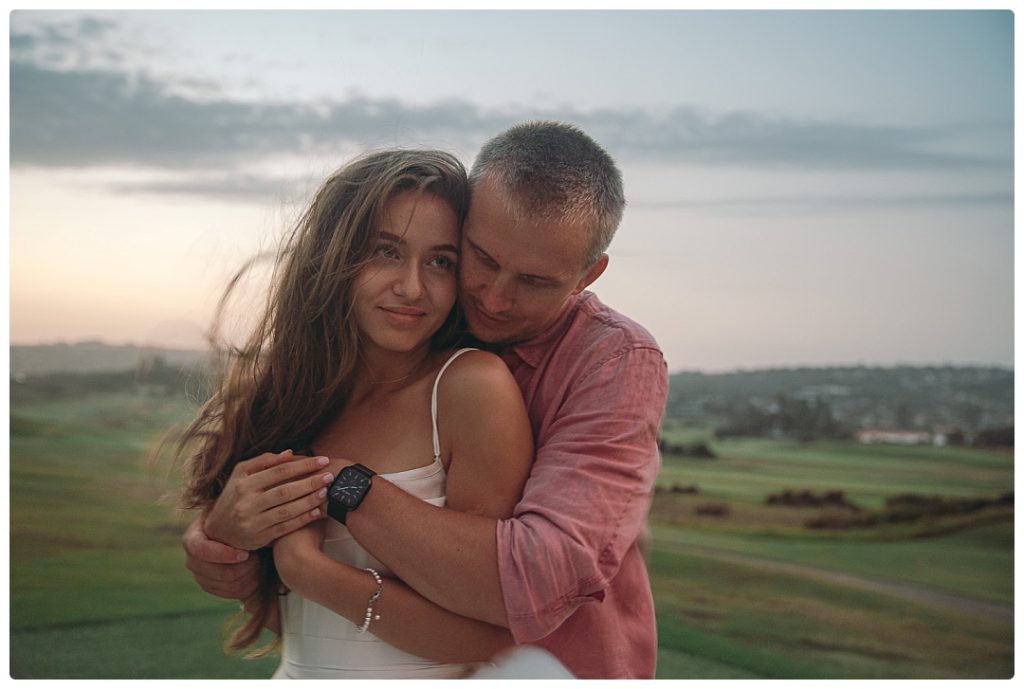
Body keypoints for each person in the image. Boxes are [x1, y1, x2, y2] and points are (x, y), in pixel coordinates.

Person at [183, 122, 669, 679]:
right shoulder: (387, 345)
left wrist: (336, 490)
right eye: (479, 259)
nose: (495, 296)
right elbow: (299, 613)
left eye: (534, 281)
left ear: (588, 275)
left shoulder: (608, 361)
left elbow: (533, 582)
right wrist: (224, 543)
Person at [175, 149, 536, 678]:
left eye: (440, 261)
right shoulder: (282, 398)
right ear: (332, 255)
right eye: (385, 252)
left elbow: (494, 634)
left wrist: (306, 568)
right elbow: (292, 622)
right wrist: (229, 547)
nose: (412, 287)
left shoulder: (468, 389)